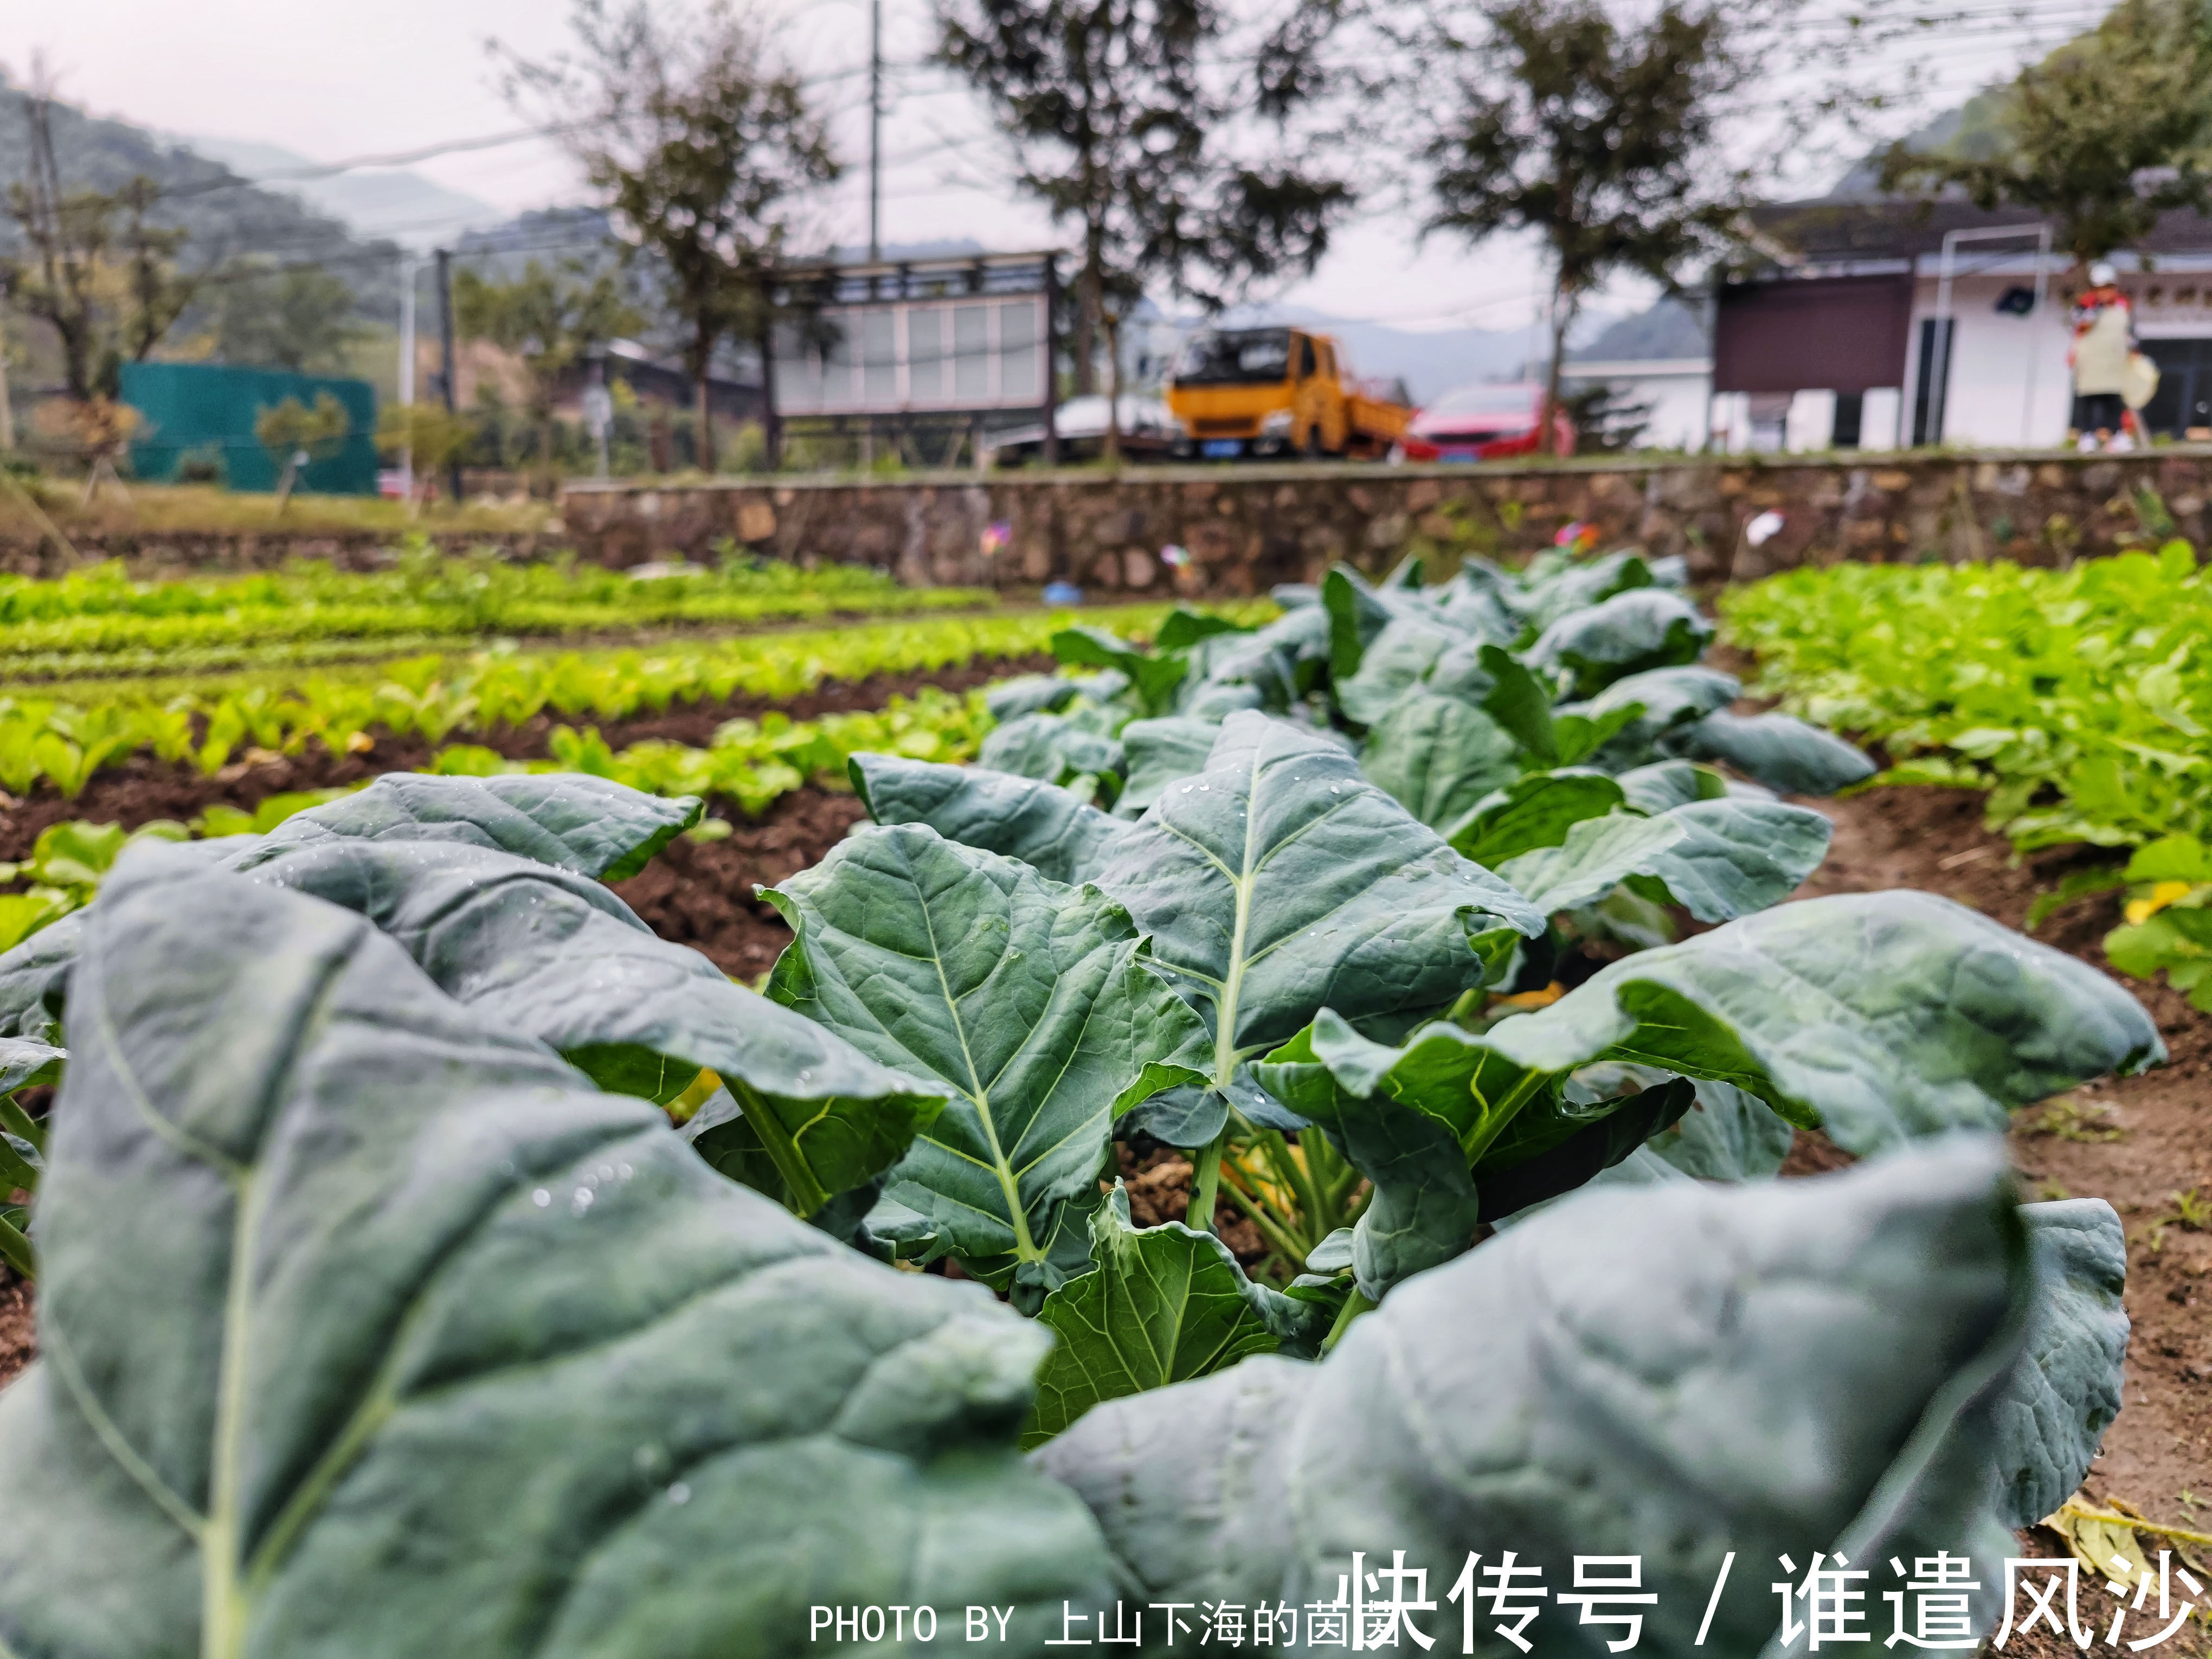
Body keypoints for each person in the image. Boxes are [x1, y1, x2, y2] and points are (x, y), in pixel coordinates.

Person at [2070, 260, 2134, 451]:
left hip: (2114, 362)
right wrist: (2094, 310)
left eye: (2109, 287)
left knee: (2114, 401)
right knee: (2089, 400)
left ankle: (2117, 435)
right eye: (2101, 288)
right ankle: (2087, 435)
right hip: (2091, 362)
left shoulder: (2123, 307)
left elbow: (2129, 333)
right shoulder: (2084, 306)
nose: (2105, 292)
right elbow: (2081, 327)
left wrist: (2134, 351)